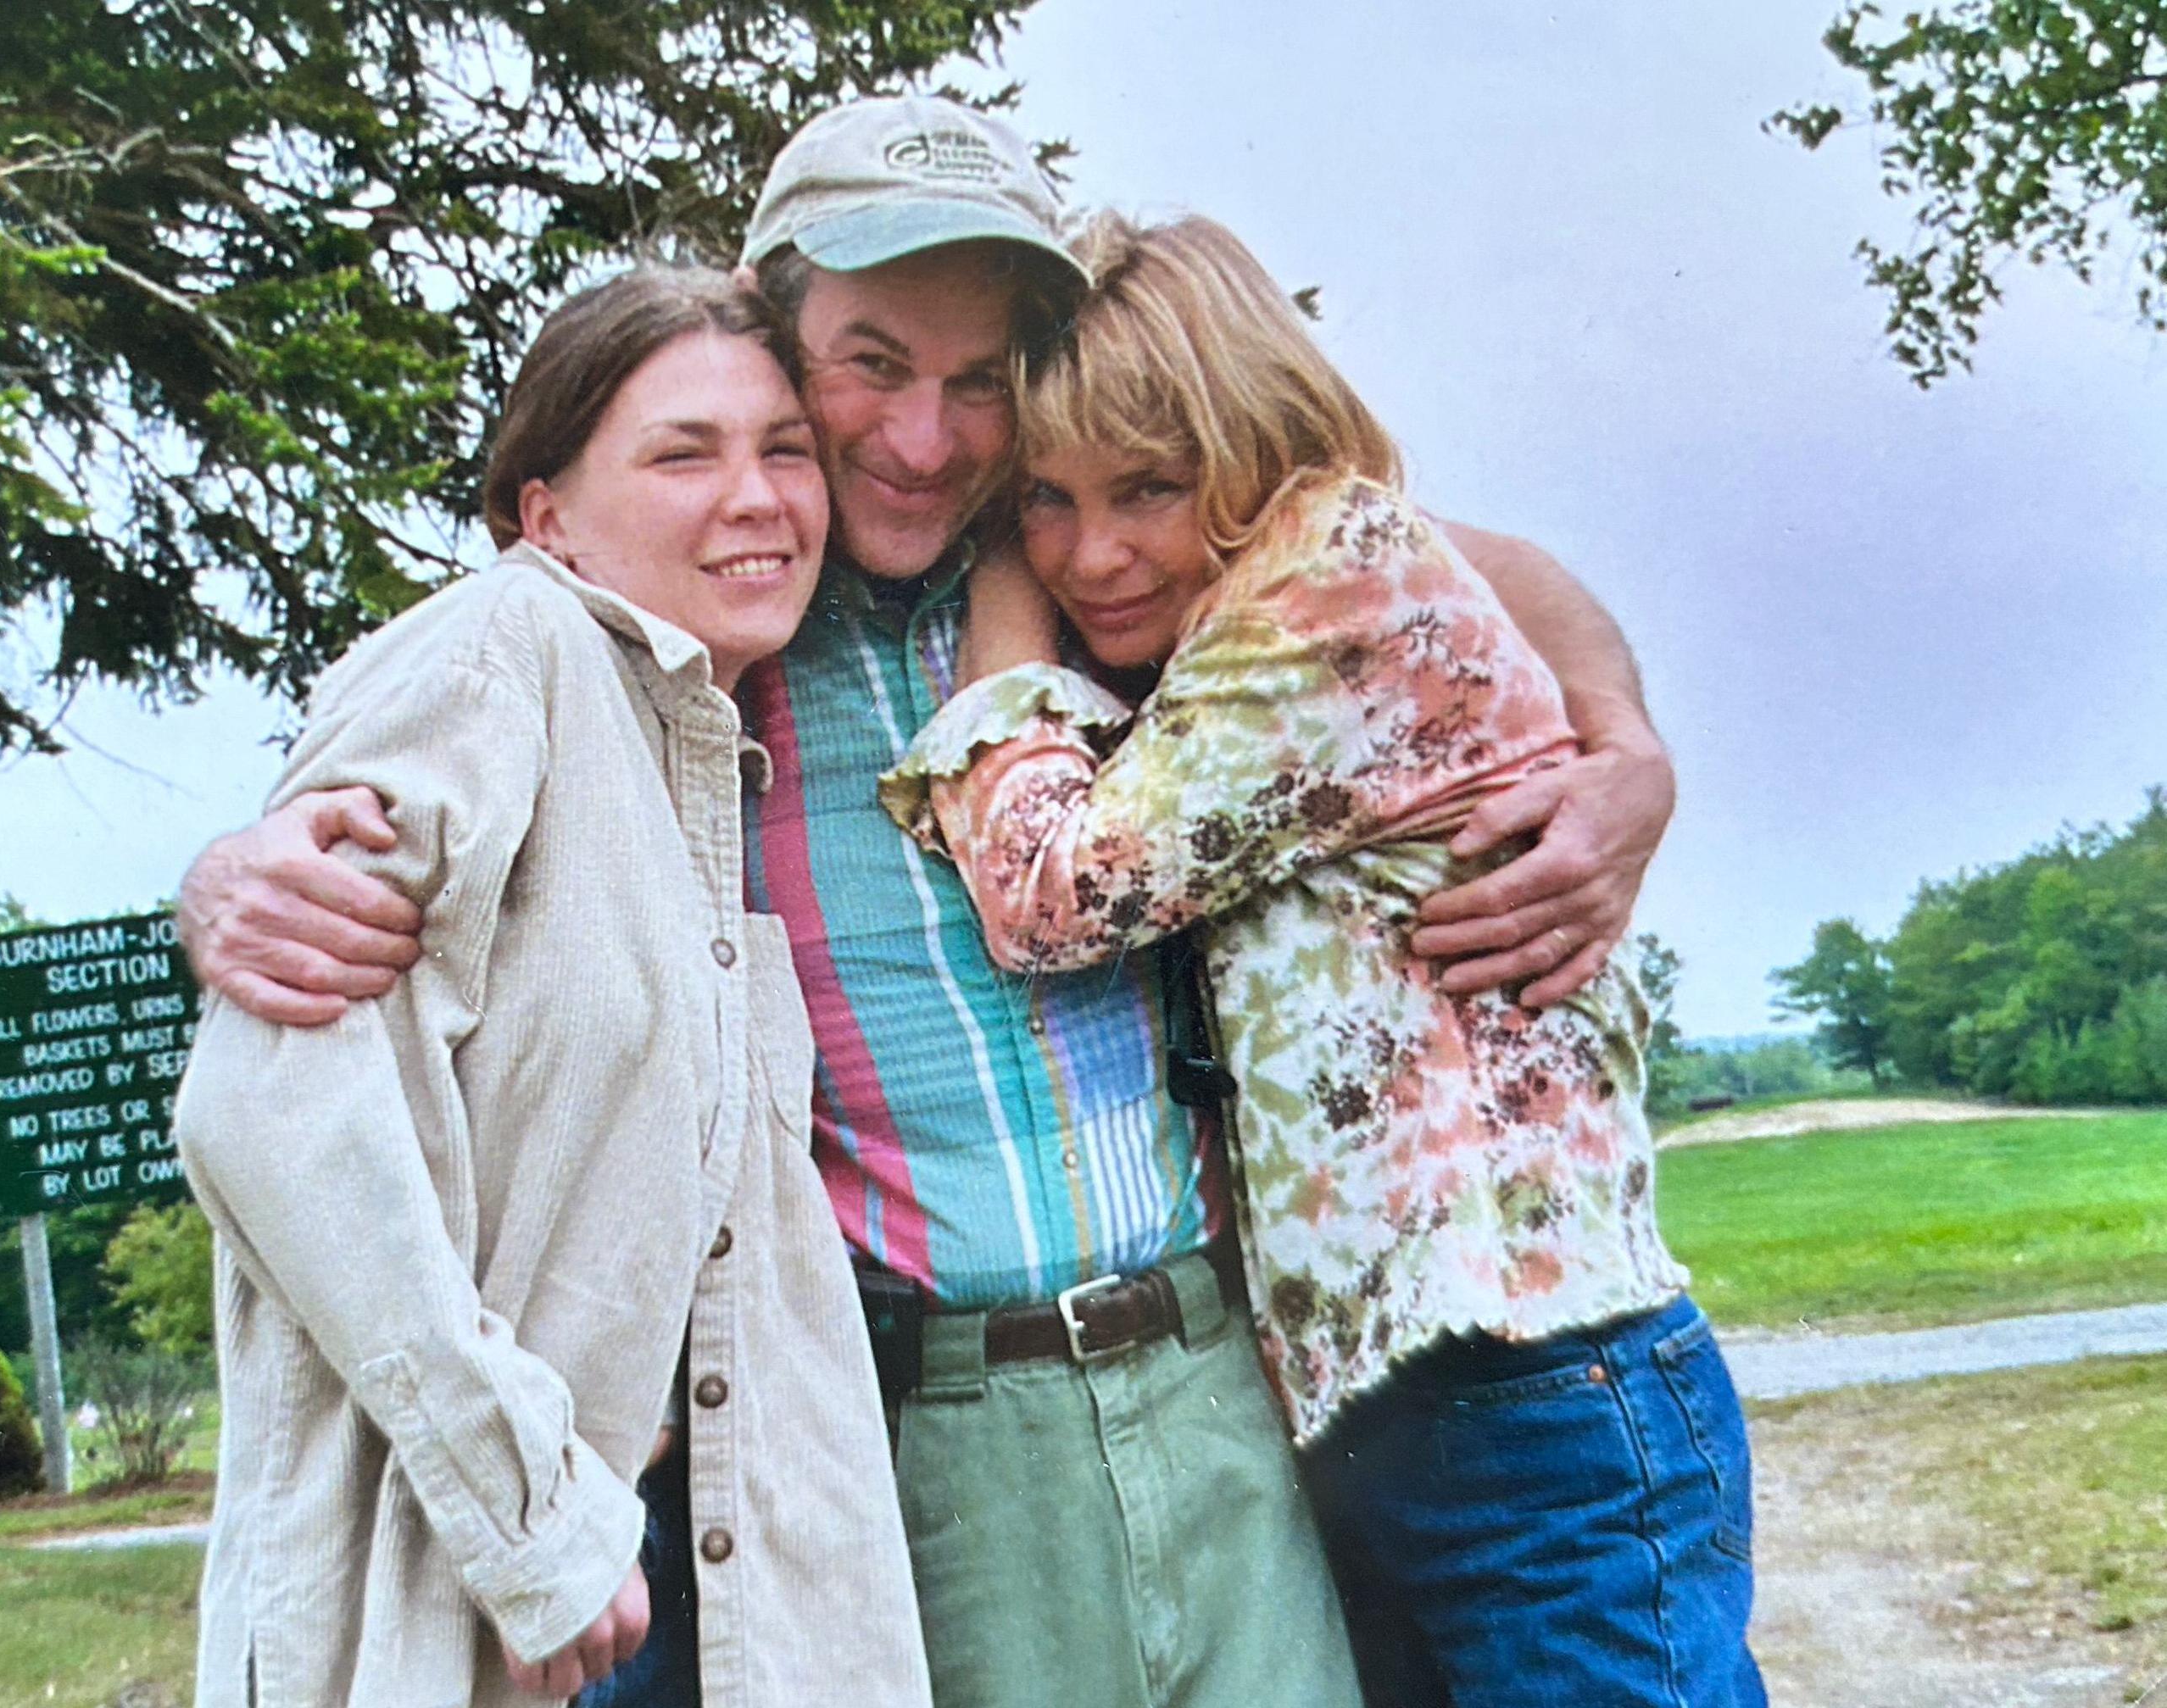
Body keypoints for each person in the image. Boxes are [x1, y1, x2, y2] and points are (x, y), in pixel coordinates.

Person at [181, 97, 1678, 1708]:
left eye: (978, 384)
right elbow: (446, 772)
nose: (922, 440)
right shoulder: (699, 632)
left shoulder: (1099, 568)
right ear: (775, 333)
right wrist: (222, 882)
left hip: (1227, 1378)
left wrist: (1624, 741)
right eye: (871, 366)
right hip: (917, 1417)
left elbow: (1430, 561)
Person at [880, 209, 1763, 1708]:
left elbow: (1047, 898)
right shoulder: (1263, 584)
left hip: (1532, 1391)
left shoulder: (1320, 587)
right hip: (1424, 1404)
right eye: (1042, 500)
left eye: (1145, 489)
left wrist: (1002, 599)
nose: (1092, 552)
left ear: (1260, 444)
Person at [171, 267, 928, 1708]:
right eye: (681, 453)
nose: (759, 495)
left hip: (672, 1587)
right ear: (546, 516)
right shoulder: (493, 656)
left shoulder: (693, 740)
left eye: (782, 448)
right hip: (490, 1592)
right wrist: (541, 1525)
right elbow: (271, 1111)